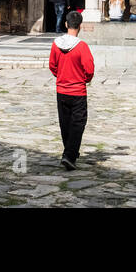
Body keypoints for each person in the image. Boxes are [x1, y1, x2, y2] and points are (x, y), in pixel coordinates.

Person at [49, 10, 95, 170]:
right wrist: (83, 80)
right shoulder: (82, 47)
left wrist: (61, 76)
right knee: (78, 123)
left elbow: (52, 66)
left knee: (65, 123)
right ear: (80, 26)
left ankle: (70, 152)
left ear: (66, 24)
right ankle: (69, 155)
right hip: (77, 91)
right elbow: (89, 69)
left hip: (61, 90)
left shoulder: (56, 44)